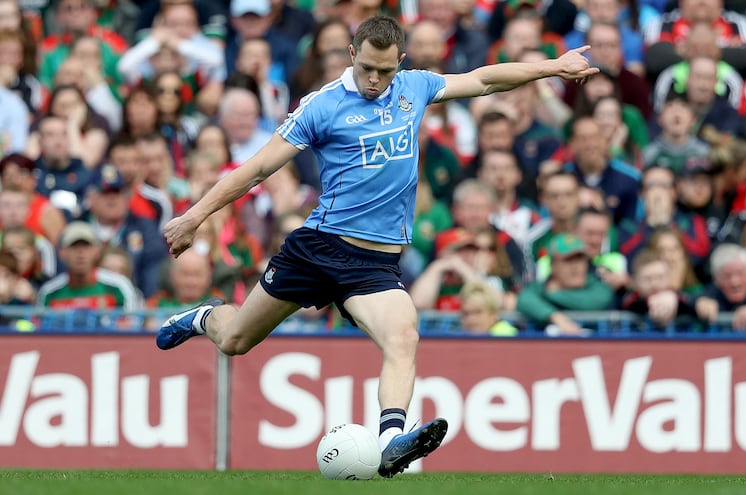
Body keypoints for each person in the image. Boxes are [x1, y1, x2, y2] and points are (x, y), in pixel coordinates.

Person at [156, 15, 596, 478]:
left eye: (385, 71)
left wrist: (552, 66)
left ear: (399, 62)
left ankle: (390, 444)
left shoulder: (415, 87)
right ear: (352, 54)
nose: (374, 79)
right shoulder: (321, 106)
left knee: (403, 335)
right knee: (234, 340)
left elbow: (484, 79)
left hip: (375, 263)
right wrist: (193, 217)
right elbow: (258, 168)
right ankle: (204, 316)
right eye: (367, 67)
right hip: (318, 247)